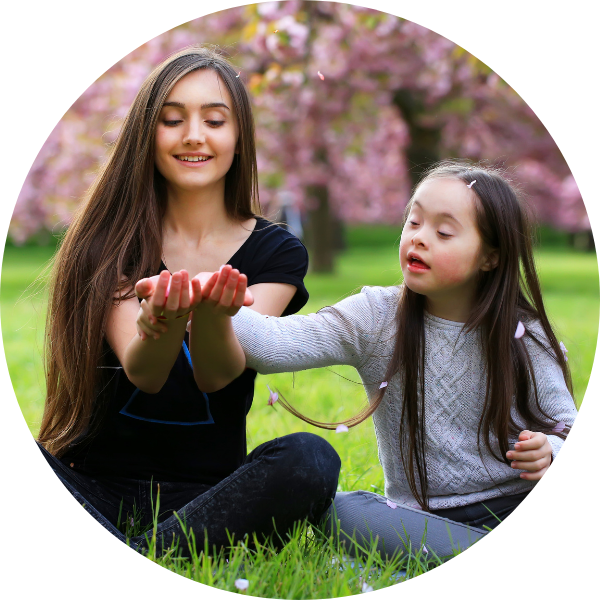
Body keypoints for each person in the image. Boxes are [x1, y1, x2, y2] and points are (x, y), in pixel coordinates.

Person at [139, 160, 578, 560]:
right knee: (341, 513)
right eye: (414, 221)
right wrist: (206, 294)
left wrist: (550, 450)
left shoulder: (524, 334)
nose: (419, 237)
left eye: (444, 232)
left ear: (491, 256)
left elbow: (565, 421)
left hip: (511, 502)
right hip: (417, 520)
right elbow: (275, 343)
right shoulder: (377, 316)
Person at [36, 46, 340, 558]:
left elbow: (217, 375)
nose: (194, 135)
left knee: (310, 458)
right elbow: (145, 372)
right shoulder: (109, 240)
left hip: (210, 497)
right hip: (94, 487)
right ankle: (163, 552)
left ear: (239, 136)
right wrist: (160, 323)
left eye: (215, 120)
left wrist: (215, 319)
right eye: (172, 120)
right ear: (146, 137)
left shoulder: (276, 253)